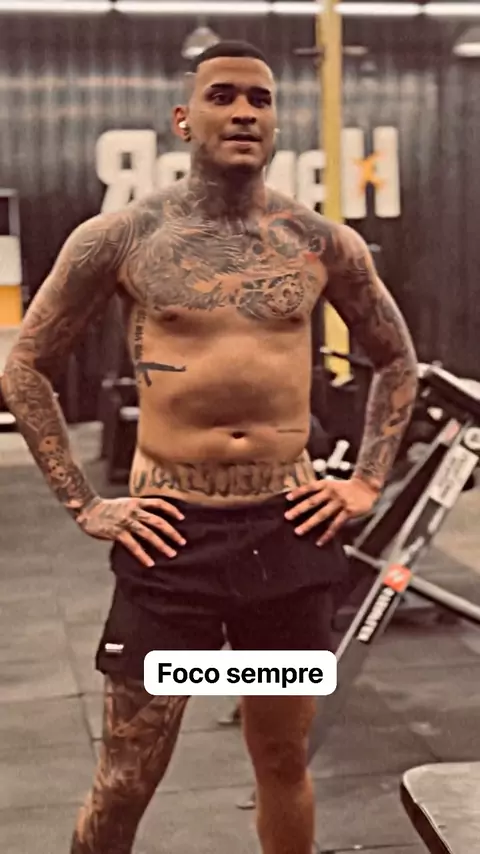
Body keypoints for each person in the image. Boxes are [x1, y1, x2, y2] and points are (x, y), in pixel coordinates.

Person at [0, 40, 418, 854]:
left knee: (282, 759)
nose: (244, 112)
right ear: (183, 119)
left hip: (288, 531)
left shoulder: (320, 242)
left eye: (261, 99)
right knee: (126, 776)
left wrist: (367, 482)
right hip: (171, 537)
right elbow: (24, 366)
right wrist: (84, 503)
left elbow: (397, 360)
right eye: (223, 96)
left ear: (276, 121)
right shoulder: (120, 237)